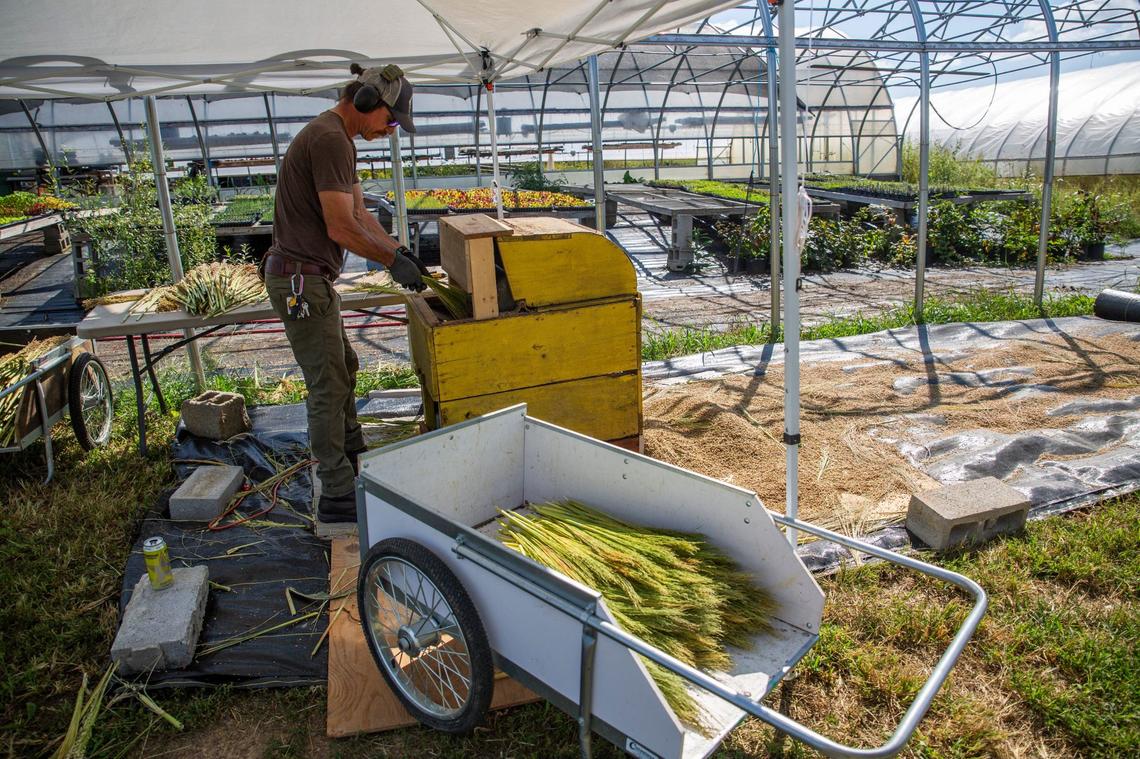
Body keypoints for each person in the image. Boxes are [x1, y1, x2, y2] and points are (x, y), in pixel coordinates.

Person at [262, 63, 426, 524]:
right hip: (301, 281)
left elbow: (360, 216)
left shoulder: (339, 140)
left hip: (313, 280)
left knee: (345, 367)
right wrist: (391, 262)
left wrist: (399, 251)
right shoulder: (330, 138)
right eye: (391, 120)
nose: (391, 131)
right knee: (327, 383)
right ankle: (336, 492)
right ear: (367, 102)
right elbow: (339, 227)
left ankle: (352, 452)